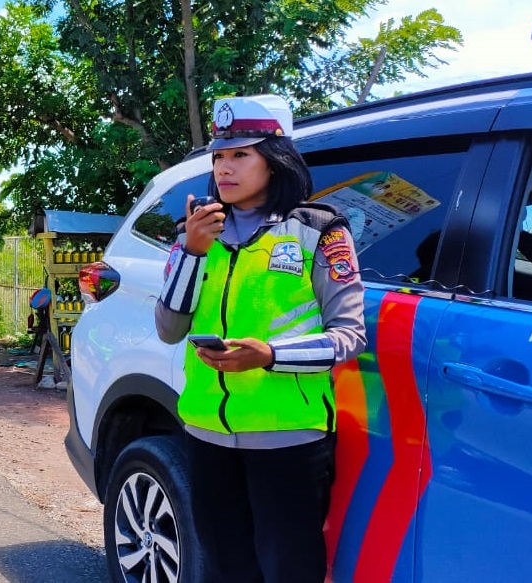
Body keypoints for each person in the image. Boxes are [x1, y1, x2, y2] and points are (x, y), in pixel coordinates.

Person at [155, 94, 367, 582]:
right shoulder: (193, 231)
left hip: (288, 439)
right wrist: (192, 251)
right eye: (219, 156)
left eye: (241, 154)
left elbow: (349, 335)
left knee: (289, 569)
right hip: (207, 434)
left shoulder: (318, 230)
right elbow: (169, 330)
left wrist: (270, 356)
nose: (224, 168)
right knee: (227, 568)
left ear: (274, 161)